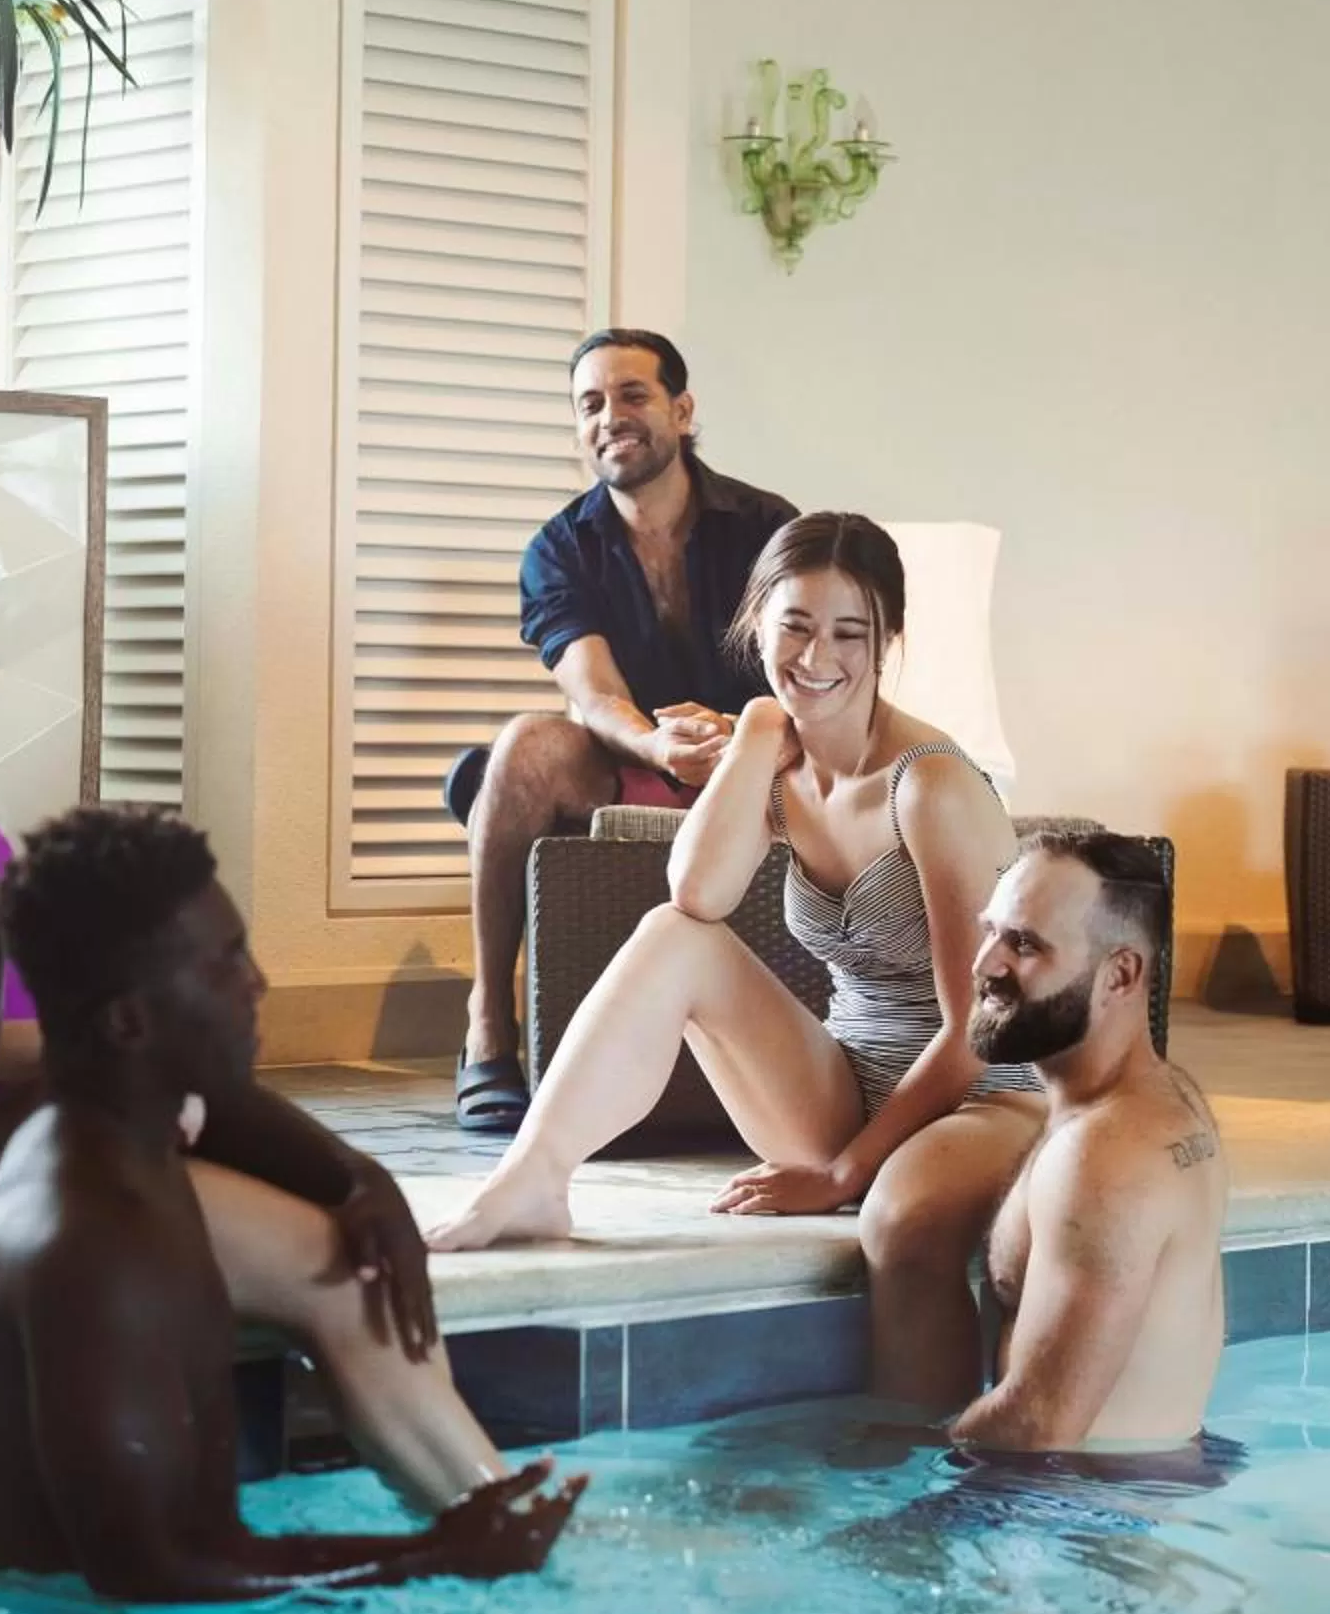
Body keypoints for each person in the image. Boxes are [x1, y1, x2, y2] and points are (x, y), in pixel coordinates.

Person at [0, 479, 516, 1515]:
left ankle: (481, 1509)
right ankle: (489, 1528)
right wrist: (80, 1054)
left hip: (40, 1131)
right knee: (333, 1267)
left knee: (354, 1222)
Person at [427, 513, 1046, 1416]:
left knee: (897, 1220)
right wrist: (758, 735)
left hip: (978, 1097)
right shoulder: (779, 756)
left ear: (887, 644)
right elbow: (696, 896)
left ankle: (912, 1457)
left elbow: (977, 1033)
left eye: (849, 633)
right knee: (673, 939)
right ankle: (533, 1179)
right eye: (793, 625)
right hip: (842, 1086)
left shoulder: (933, 786)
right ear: (757, 623)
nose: (816, 656)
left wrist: (842, 1176)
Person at [0, 805, 585, 1602]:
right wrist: (440, 1556)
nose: (259, 983)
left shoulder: (104, 1122)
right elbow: (148, 1572)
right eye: (224, 966)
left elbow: (238, 1114)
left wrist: (363, 1183)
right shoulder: (95, 1249)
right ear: (129, 1022)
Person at [448, 329, 797, 1132]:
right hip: (629, 760)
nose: (612, 417)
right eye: (591, 403)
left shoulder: (768, 527)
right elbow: (593, 693)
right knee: (523, 749)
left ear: (681, 407)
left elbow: (806, 673)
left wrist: (741, 739)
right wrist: (658, 746)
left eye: (633, 395)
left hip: (760, 762)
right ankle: (489, 1029)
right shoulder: (558, 549)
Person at [952, 828, 1225, 1451]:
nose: (985, 963)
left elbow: (1038, 1424)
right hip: (1149, 1483)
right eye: (989, 929)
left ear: (1120, 974)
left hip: (1079, 1512)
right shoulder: (1158, 1100)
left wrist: (906, 1486)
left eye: (1023, 944)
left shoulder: (1104, 1155)